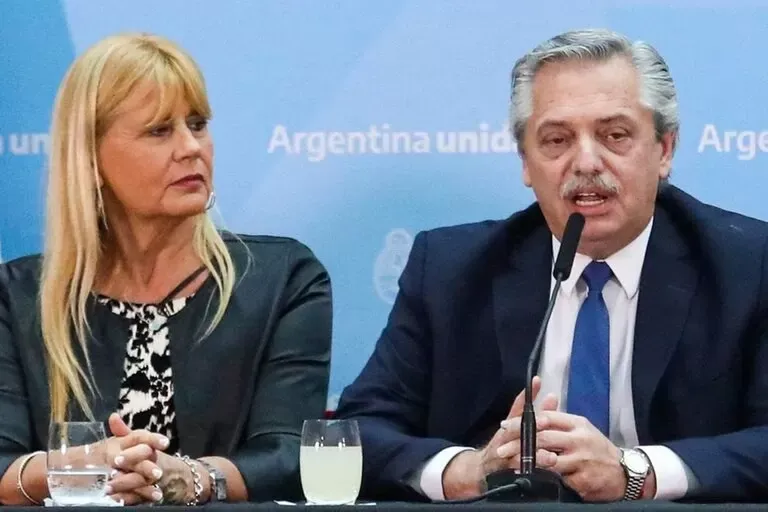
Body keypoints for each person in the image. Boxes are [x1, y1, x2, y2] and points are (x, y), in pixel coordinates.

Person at [335, 28, 768, 503]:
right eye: (557, 140)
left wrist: (637, 473)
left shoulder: (750, 265)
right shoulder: (449, 270)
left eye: (615, 136)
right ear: (525, 161)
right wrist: (468, 470)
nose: (586, 162)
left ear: (664, 150)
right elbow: (357, 432)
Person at [0, 33, 332, 505]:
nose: (191, 147)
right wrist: (90, 463)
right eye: (159, 131)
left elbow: (290, 456)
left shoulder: (284, 280)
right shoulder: (17, 296)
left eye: (197, 125)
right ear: (90, 158)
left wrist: (189, 478)